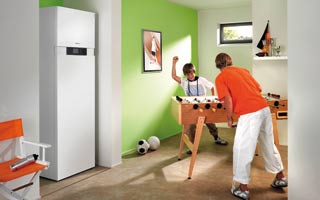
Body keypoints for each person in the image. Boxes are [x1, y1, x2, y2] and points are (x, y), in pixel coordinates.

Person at [214, 53, 287, 200]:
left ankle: (243, 188)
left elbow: (227, 100)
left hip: (249, 114)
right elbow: (258, 89)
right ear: (230, 61)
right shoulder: (244, 70)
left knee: (242, 148)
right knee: (268, 144)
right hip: (263, 109)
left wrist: (229, 118)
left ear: (218, 65)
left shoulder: (220, 77)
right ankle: (280, 177)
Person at [171, 56, 228, 154]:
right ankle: (192, 146)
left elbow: (212, 86)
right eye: (188, 73)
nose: (191, 75)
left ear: (194, 71)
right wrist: (174, 63)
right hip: (191, 107)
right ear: (186, 74)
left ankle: (216, 137)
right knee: (191, 126)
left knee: (210, 123)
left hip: (203, 106)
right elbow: (174, 76)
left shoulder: (201, 80)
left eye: (192, 72)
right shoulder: (184, 82)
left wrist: (213, 99)